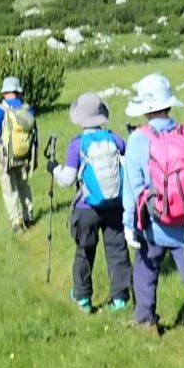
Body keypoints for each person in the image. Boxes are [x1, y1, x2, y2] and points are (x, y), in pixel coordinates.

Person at [122, 73, 184, 334]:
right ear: (168, 104)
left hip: (152, 223)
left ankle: (145, 319)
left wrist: (129, 223)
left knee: (145, 269)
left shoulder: (138, 139)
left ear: (146, 109)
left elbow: (133, 188)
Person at [52, 92, 132, 313]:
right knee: (117, 250)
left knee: (85, 251)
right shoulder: (115, 139)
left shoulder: (77, 145)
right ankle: (120, 298)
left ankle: (83, 297)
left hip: (86, 208)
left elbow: (67, 180)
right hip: (114, 205)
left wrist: (54, 169)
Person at [0, 76, 38, 231]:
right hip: (26, 154)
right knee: (24, 185)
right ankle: (29, 217)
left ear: (5, 93)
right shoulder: (28, 109)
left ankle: (16, 222)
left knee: (9, 188)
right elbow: (35, 133)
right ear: (19, 92)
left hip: (7, 155)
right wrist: (36, 155)